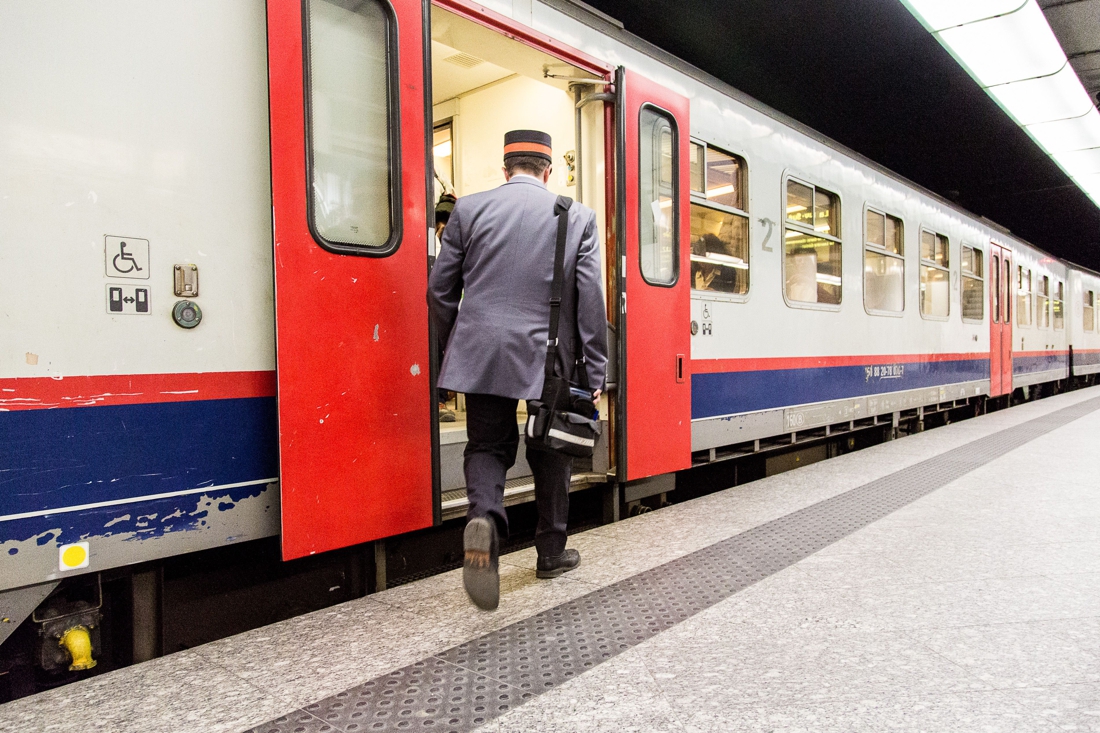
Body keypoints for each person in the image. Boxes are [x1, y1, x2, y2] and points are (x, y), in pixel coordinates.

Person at [428, 129, 607, 610]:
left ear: (505, 169)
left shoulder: (468, 210)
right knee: (551, 445)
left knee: (487, 443)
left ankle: (485, 516)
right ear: (547, 171)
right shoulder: (578, 217)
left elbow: (440, 291)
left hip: (480, 350)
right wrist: (595, 374)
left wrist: (454, 348)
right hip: (549, 354)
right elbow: (589, 301)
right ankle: (550, 552)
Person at [433, 191, 459, 422]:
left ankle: (440, 399)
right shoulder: (438, 242)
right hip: (445, 310)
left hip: (448, 309)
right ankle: (438, 400)